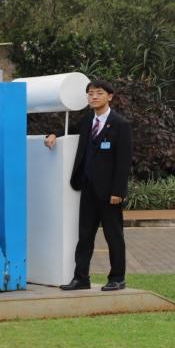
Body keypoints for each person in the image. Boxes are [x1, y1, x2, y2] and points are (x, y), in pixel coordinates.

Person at [50, 78, 133, 291]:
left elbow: (124, 162)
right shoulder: (88, 121)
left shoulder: (121, 124)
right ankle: (81, 278)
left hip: (109, 193)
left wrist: (118, 191)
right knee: (85, 236)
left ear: (110, 96)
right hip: (87, 188)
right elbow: (69, 130)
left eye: (99, 93)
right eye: (90, 93)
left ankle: (117, 278)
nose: (94, 97)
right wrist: (53, 135)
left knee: (114, 236)